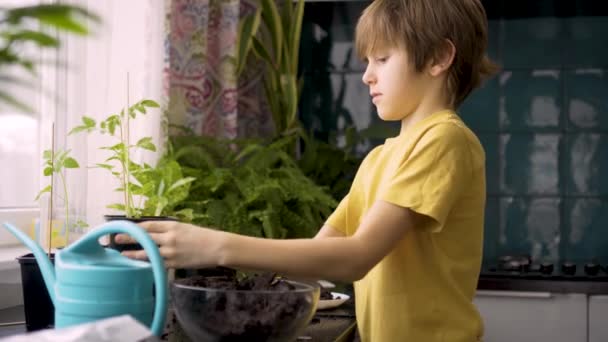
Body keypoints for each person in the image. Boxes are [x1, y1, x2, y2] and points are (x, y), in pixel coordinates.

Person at [118, 0, 498, 340]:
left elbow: (356, 257)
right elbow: (322, 252)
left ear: (437, 58)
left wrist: (215, 246)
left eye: (382, 59)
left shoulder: (444, 140)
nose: (367, 75)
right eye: (368, 61)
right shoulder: (381, 159)